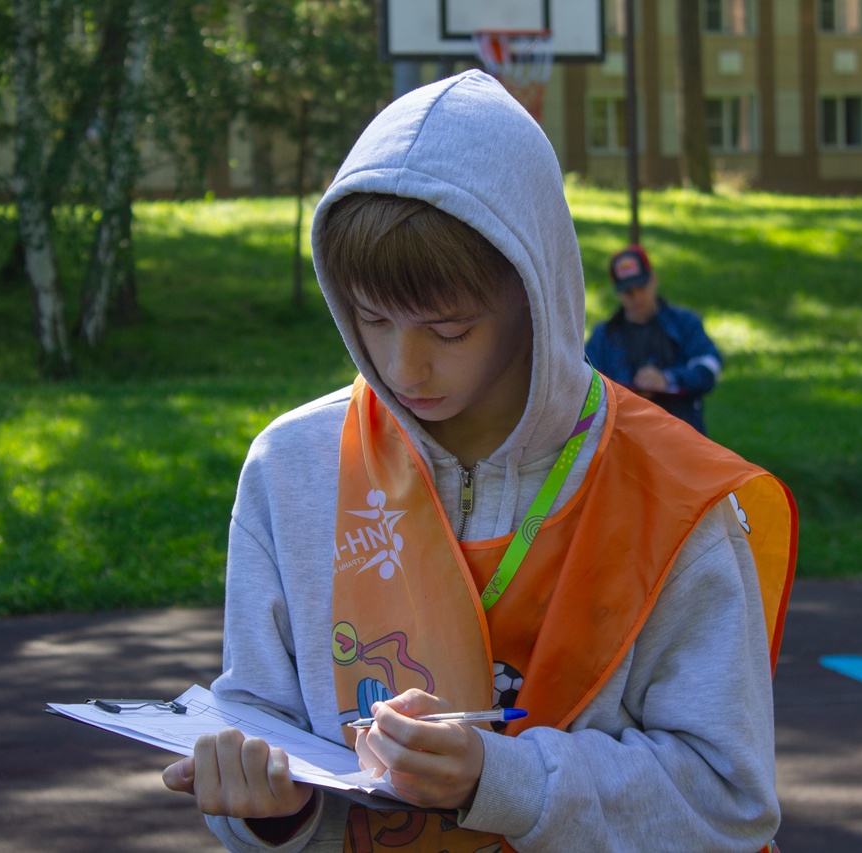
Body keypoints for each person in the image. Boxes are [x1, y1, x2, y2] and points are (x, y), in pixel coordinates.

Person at [162, 70, 797, 853]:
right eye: (371, 318)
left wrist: (499, 777)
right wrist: (266, 813)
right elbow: (260, 723)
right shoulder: (292, 467)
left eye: (449, 329)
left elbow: (729, 802)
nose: (403, 366)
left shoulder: (675, 495)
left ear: (534, 293)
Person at [584, 246, 723, 435]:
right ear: (618, 293)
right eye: (628, 292)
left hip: (680, 436)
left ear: (654, 280)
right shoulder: (604, 336)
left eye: (641, 287)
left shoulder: (684, 323)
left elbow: (711, 366)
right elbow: (586, 388)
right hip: (625, 438)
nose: (637, 297)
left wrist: (668, 379)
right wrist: (625, 395)